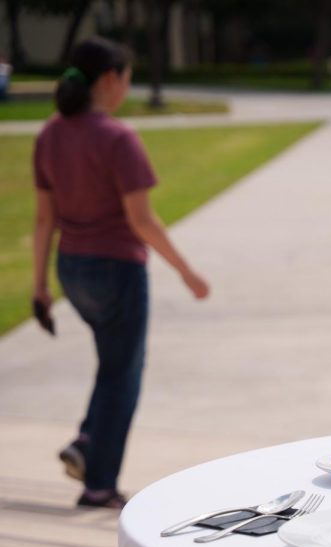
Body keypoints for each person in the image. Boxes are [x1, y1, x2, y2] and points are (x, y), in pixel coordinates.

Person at [32, 37, 209, 509]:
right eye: (127, 80)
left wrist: (39, 287)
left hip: (72, 270)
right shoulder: (118, 138)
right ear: (111, 79)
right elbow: (142, 221)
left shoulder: (50, 133)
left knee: (112, 365)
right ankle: (100, 485)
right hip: (117, 271)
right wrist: (187, 272)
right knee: (123, 375)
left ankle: (88, 442)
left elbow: (44, 218)